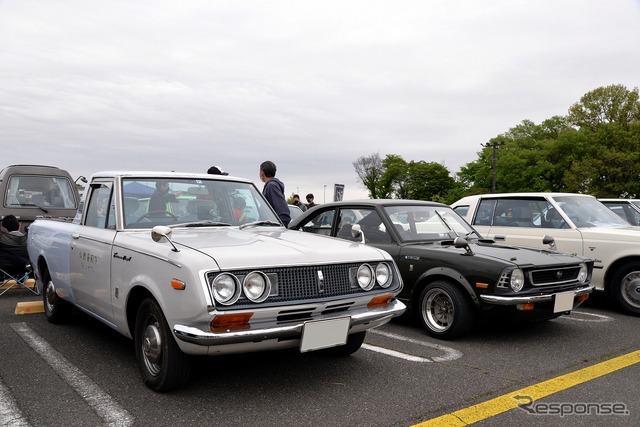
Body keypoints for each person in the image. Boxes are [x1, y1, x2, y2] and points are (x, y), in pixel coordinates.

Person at [259, 161, 291, 226]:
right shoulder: (272, 185)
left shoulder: (271, 186)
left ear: (262, 172)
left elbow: (284, 214)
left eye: (259, 171)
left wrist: (278, 228)